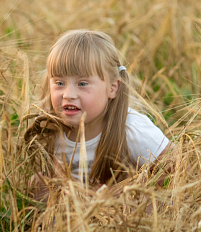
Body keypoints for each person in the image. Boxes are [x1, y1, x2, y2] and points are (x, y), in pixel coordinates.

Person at [24, 29, 174, 191]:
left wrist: (132, 193)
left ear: (112, 88)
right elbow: (56, 172)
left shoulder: (132, 129)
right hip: (75, 204)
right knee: (37, 183)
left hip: (121, 207)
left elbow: (176, 168)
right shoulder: (51, 123)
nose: (68, 95)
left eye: (82, 84)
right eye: (60, 83)